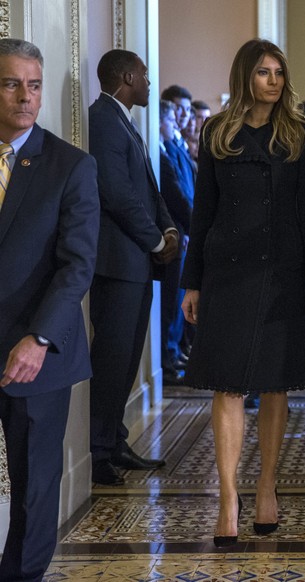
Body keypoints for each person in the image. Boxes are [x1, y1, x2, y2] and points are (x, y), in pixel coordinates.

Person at [180, 38, 305, 548]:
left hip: (285, 274)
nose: (274, 80)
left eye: (279, 73)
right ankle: (228, 497)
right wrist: (193, 280)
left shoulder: (301, 134)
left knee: (275, 385)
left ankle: (266, 486)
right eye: (265, 72)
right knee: (227, 385)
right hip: (227, 274)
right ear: (245, 75)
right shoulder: (217, 131)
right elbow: (203, 211)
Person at [0, 38, 99, 582]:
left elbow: (76, 266)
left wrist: (37, 338)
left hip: (40, 353)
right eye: (12, 83)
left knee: (35, 488)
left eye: (34, 85)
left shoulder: (70, 166)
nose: (26, 97)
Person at [89, 49, 177, 487]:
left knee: (125, 360)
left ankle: (114, 439)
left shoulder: (123, 118)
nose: (147, 81)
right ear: (126, 76)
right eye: (143, 74)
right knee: (111, 359)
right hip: (117, 263)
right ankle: (99, 453)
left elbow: (146, 186)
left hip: (135, 262)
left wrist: (168, 226)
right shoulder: (103, 119)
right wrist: (157, 239)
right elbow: (116, 192)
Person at [158, 99, 194, 386]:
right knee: (172, 299)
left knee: (178, 297)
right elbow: (174, 193)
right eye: (171, 120)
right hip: (175, 232)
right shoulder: (161, 152)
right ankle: (168, 354)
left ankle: (173, 350)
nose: (176, 124)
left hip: (183, 231)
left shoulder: (172, 149)